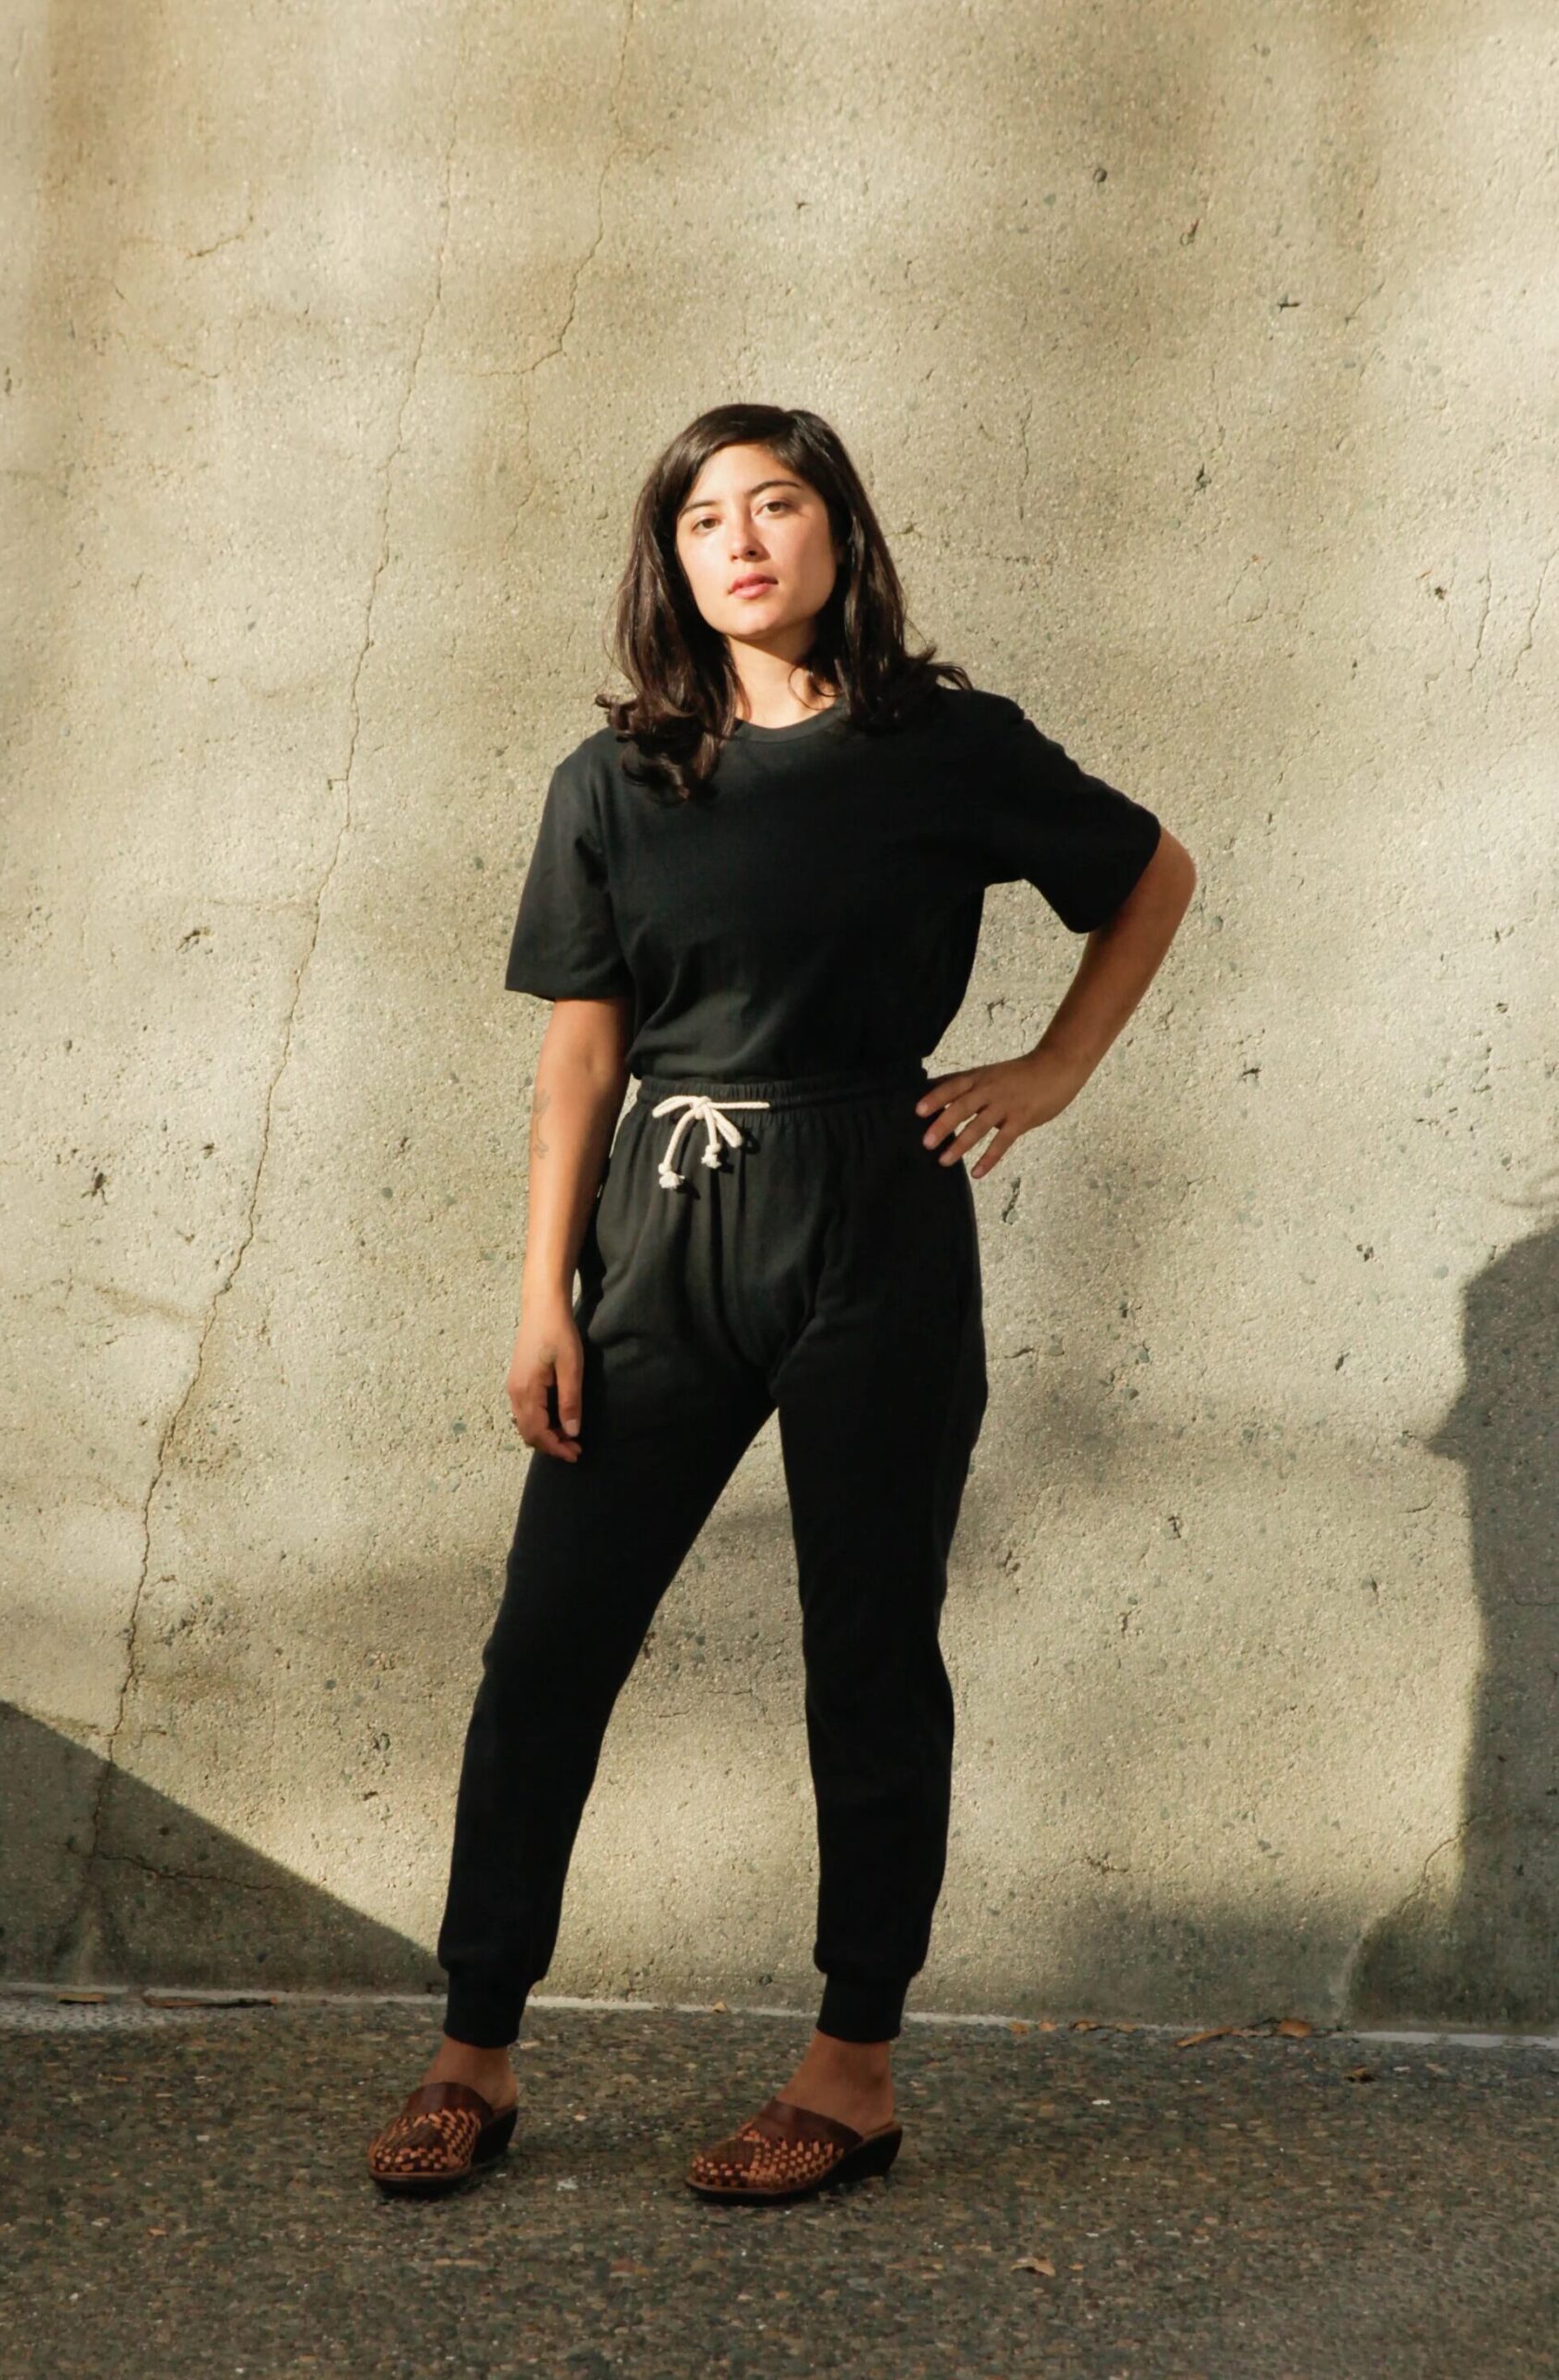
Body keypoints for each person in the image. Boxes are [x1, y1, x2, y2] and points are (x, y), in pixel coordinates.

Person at [366, 401, 1196, 2202]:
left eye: (778, 503)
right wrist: (544, 1295)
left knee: (870, 1651)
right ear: (669, 560)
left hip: (877, 1216)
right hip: (665, 1225)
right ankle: (473, 2051)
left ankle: (851, 2072)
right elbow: (580, 1062)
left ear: (839, 533)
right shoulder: (615, 782)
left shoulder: (943, 745)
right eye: (703, 518)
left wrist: (1052, 1069)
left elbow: (1150, 873)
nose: (740, 541)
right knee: (547, 1648)